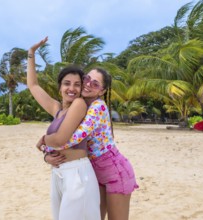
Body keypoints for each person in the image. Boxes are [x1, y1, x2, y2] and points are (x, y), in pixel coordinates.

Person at [39, 68, 139, 220]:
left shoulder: (98, 106)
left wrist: (46, 144)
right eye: (86, 79)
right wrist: (47, 155)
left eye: (95, 84)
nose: (88, 84)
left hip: (115, 171)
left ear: (102, 91)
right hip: (94, 171)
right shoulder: (79, 105)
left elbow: (75, 137)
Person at [27, 37, 100, 220]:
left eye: (77, 85)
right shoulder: (57, 110)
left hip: (77, 174)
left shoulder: (79, 104)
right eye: (67, 83)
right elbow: (33, 85)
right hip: (58, 174)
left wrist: (44, 140)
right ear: (59, 86)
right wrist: (31, 53)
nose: (72, 89)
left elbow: (60, 140)